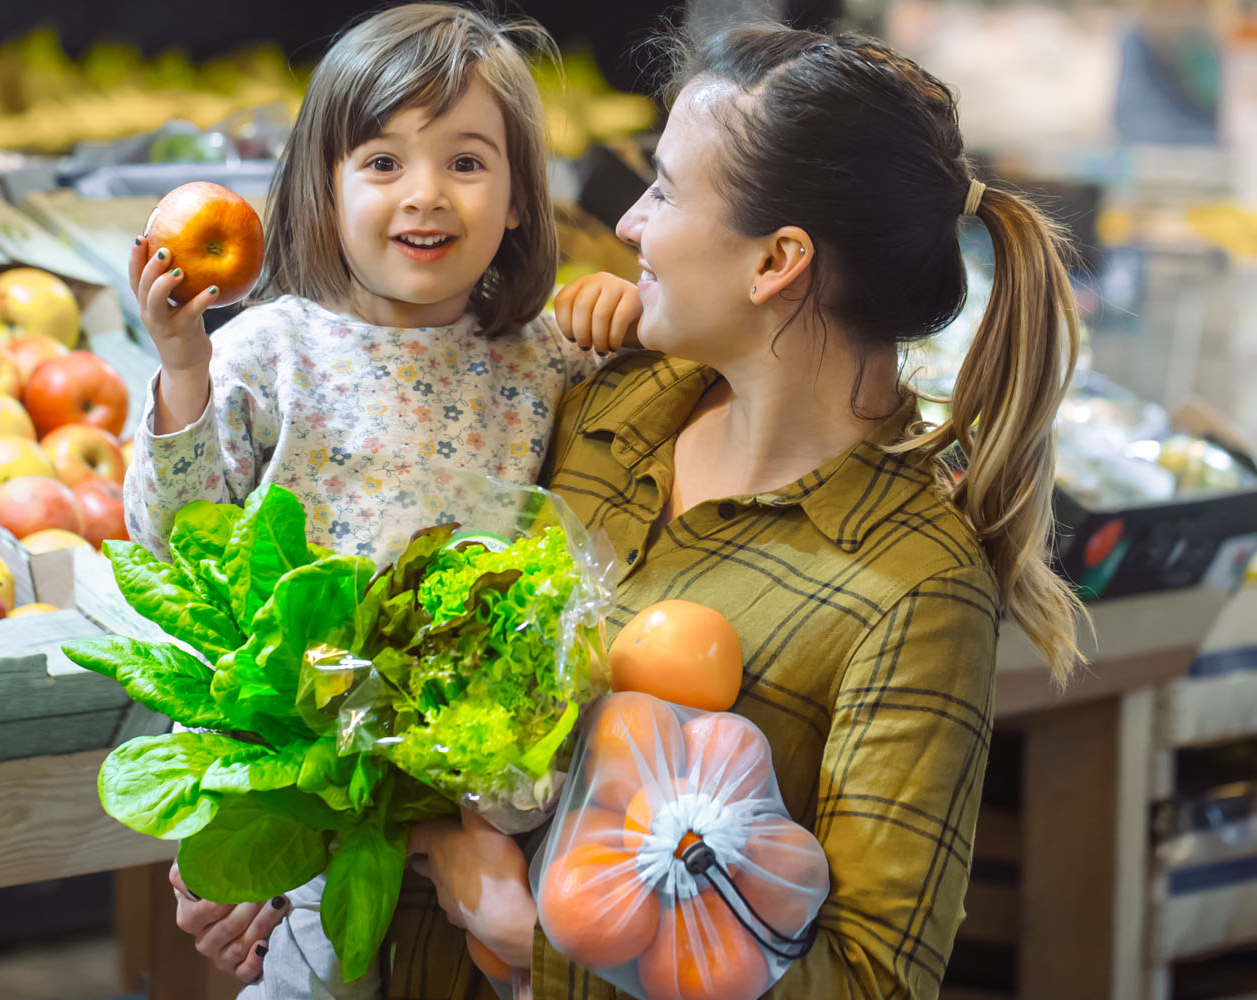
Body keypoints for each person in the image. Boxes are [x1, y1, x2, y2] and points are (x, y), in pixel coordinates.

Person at [381, 23, 1090, 999]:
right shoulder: (608, 405)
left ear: (776, 263)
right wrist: (303, 858)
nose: (628, 223)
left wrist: (525, 933)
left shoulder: (913, 589)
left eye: (665, 190)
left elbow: (872, 982)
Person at [121, 4, 604, 995]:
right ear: (324, 189)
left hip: (481, 780)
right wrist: (181, 366)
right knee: (317, 972)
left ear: (519, 200)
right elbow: (174, 547)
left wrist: (620, 310)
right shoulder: (267, 352)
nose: (425, 196)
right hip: (311, 765)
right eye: (383, 163)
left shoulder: (544, 353)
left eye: (467, 163)